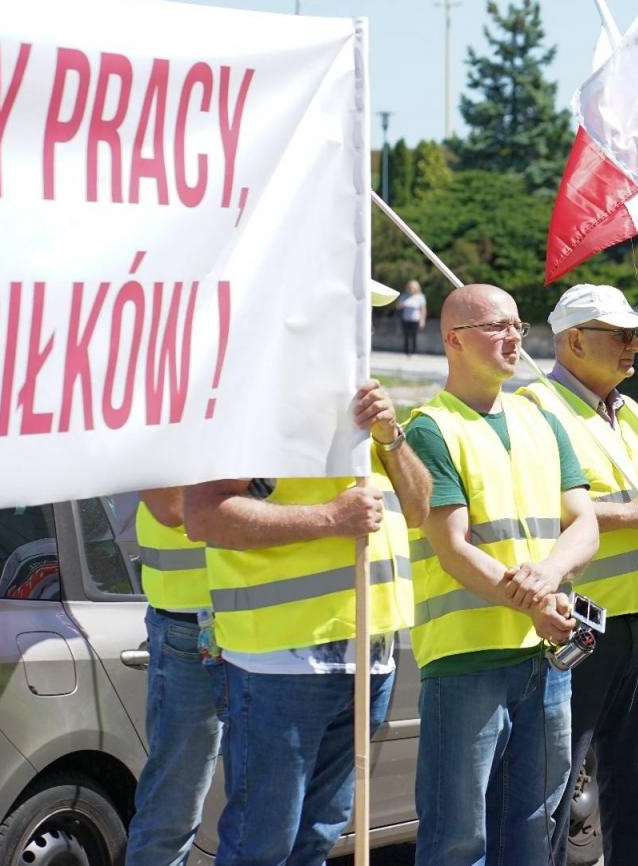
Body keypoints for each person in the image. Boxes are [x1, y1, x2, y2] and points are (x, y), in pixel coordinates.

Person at [183, 277, 432, 866]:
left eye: (367, 323)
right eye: (353, 320)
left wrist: (390, 437)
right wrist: (329, 518)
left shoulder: (365, 408)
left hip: (368, 655)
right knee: (261, 841)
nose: (363, 336)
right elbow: (202, 515)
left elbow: (420, 508)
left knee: (320, 836)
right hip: (283, 659)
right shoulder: (256, 402)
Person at [404, 283, 600, 866]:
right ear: (454, 341)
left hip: (542, 657)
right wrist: (536, 600)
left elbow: (584, 524)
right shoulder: (430, 428)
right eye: (496, 326)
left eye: (518, 324)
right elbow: (452, 548)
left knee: (535, 829)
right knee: (457, 838)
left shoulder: (540, 418)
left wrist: (547, 576)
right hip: (466, 661)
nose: (514, 336)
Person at [523, 284, 638, 866]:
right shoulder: (537, 408)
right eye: (622, 335)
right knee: (557, 781)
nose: (635, 346)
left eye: (637, 335)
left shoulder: (629, 411)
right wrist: (628, 515)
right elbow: (529, 503)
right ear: (575, 340)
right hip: (577, 620)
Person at [125, 486, 223, 866]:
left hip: (260, 619)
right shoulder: (167, 428)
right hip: (191, 624)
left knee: (270, 806)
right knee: (174, 805)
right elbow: (171, 508)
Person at [400, 280, 427, 355]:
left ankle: (414, 351)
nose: (411, 289)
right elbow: (398, 306)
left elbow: (423, 309)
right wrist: (402, 304)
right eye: (410, 287)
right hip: (406, 319)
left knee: (414, 336)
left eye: (413, 287)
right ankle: (406, 351)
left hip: (415, 319)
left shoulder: (420, 297)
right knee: (406, 336)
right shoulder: (404, 296)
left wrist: (422, 320)